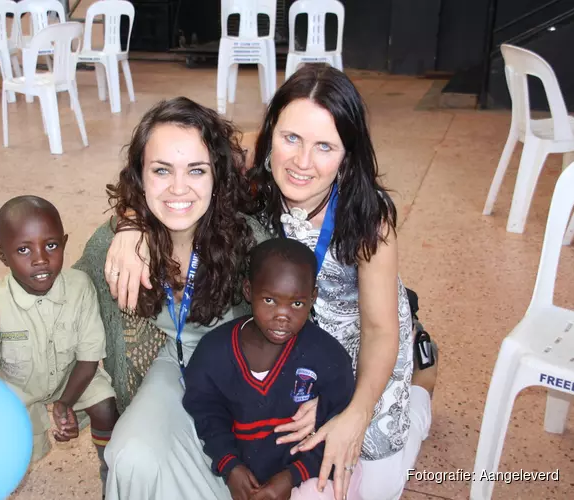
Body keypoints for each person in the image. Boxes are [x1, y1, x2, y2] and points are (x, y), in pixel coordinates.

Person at [105, 65, 439, 500]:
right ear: (270, 132)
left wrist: (351, 411)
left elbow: (378, 329)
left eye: (325, 146)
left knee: (373, 481)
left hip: (363, 344)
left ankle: (422, 383)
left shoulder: (370, 219)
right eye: (291, 138)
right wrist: (131, 224)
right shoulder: (253, 177)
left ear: (347, 155)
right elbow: (173, 164)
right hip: (286, 332)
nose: (302, 162)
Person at [72, 96, 279, 499]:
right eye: (161, 170)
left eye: (196, 170)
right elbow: (66, 302)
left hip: (243, 375)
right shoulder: (115, 243)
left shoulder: (251, 243)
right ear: (140, 176)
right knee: (130, 456)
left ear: (217, 176)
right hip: (177, 364)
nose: (178, 188)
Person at [0, 195, 119, 495]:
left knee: (105, 403)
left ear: (64, 243)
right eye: (23, 250)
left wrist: (65, 403)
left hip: (71, 376)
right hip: (11, 394)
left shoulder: (79, 287)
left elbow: (89, 358)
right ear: (2, 256)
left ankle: (112, 476)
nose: (40, 259)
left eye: (51, 245)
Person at [183, 238, 361, 500]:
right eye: (269, 300)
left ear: (312, 297)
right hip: (240, 477)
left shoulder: (328, 358)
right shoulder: (213, 354)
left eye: (297, 304)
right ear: (247, 290)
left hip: (308, 475)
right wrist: (230, 466)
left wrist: (292, 477)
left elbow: (337, 427)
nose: (282, 315)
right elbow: (208, 416)